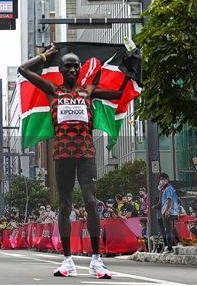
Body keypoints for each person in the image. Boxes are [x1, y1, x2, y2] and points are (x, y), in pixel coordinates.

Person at [19, 44, 124, 279]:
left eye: (76, 66)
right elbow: (23, 69)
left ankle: (96, 260)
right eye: (67, 66)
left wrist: (130, 64)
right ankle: (67, 260)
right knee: (65, 205)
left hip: (86, 154)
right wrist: (44, 55)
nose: (72, 70)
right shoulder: (52, 90)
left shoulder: (88, 91)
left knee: (91, 201)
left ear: (80, 69)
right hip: (63, 156)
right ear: (61, 69)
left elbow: (118, 93)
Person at [159, 172, 180, 253]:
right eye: (160, 180)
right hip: (173, 211)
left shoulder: (168, 189)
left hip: (168, 212)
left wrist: (167, 210)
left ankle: (169, 248)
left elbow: (169, 200)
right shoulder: (170, 188)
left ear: (167, 179)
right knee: (172, 229)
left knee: (168, 231)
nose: (161, 181)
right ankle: (179, 243)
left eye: (163, 179)